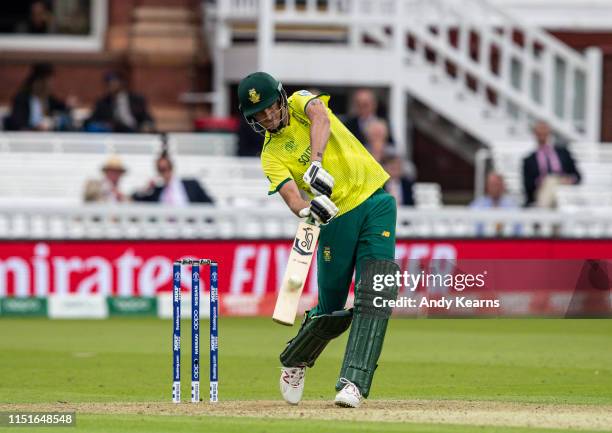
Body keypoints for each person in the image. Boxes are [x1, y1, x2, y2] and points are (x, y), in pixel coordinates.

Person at [237, 72, 398, 408]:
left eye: (269, 108)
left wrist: (315, 163)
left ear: (280, 98)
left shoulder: (299, 102)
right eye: (259, 115)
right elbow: (294, 200)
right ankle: (295, 358)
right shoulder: (271, 156)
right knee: (331, 309)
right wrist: (311, 209)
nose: (267, 117)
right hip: (335, 218)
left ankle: (353, 382)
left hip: (374, 200)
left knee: (377, 291)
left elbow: (321, 116)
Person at [522, 121, 581, 207]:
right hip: (541, 191)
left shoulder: (564, 153)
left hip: (563, 188)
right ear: (535, 134)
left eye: (544, 131)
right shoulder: (529, 160)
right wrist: (541, 182)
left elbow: (577, 176)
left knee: (553, 183)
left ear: (549, 133)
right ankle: (546, 213)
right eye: (539, 132)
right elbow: (528, 187)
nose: (542, 134)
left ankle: (544, 215)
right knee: (550, 181)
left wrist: (569, 180)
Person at [6, 63, 72, 131]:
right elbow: (17, 122)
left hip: (48, 136)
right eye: (45, 82)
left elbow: (62, 107)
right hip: (27, 136)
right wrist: (34, 128)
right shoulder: (22, 99)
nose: (49, 86)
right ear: (35, 83)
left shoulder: (49, 99)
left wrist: (69, 105)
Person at [132, 152, 213, 205]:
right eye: (160, 170)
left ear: (172, 168)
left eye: (166, 168)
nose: (164, 173)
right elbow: (135, 199)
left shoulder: (192, 185)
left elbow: (210, 203)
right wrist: (146, 189)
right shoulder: (156, 191)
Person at [85, 71, 154, 133]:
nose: (111, 85)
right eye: (108, 83)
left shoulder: (136, 100)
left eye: (114, 82)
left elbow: (146, 117)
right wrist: (103, 124)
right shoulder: (103, 103)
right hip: (115, 134)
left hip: (135, 131)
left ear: (121, 83)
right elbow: (92, 119)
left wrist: (147, 125)